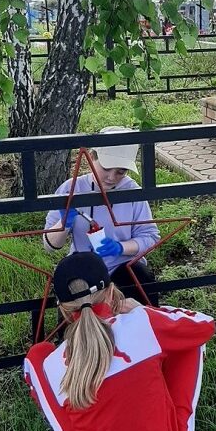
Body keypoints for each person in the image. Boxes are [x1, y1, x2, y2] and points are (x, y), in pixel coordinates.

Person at [24, 252, 216, 431]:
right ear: (110, 291)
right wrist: (145, 310)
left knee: (37, 357)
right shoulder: (142, 322)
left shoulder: (50, 365)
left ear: (63, 309)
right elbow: (205, 325)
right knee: (190, 340)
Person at [43, 127, 160, 305]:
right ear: (91, 157)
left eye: (120, 171)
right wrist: (64, 223)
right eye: (106, 168)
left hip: (124, 267)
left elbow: (150, 236)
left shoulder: (132, 191)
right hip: (84, 267)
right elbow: (50, 245)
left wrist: (120, 248)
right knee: (71, 292)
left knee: (141, 277)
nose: (111, 177)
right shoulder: (71, 188)